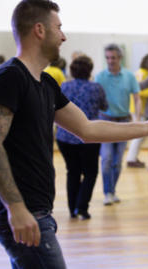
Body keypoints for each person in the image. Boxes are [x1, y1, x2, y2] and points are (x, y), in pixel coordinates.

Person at [0, 0, 148, 268]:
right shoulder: (10, 77)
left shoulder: (45, 82)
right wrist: (16, 208)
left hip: (36, 209)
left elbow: (87, 128)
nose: (63, 36)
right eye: (58, 27)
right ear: (39, 30)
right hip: (22, 210)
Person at [55, 55, 108, 220]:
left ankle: (72, 209)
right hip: (89, 136)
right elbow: (104, 106)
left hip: (65, 136)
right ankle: (82, 207)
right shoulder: (96, 88)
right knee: (90, 172)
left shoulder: (64, 86)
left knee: (73, 171)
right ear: (90, 71)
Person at [95, 44, 141, 205]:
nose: (110, 61)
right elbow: (95, 99)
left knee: (117, 161)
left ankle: (112, 190)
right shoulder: (100, 77)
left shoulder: (129, 76)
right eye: (107, 58)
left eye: (113, 57)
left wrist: (137, 118)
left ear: (119, 58)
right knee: (106, 159)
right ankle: (107, 192)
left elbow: (137, 97)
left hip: (124, 121)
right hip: (105, 121)